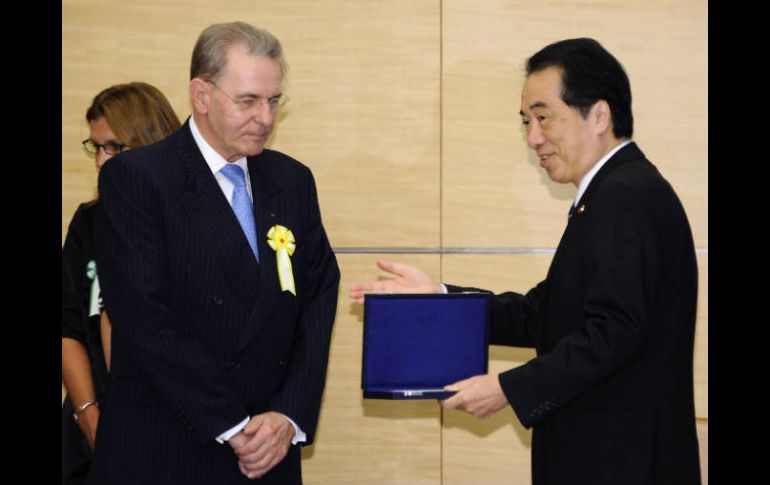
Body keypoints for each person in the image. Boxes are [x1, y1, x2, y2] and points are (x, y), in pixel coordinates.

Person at [350, 38, 701, 485]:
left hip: (618, 460)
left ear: (598, 114)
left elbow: (615, 331)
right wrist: (438, 298)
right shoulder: (612, 192)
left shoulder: (624, 196)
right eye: (526, 122)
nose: (533, 137)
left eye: (544, 117)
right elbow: (544, 314)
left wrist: (506, 389)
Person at [89, 21, 340, 485]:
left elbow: (319, 295)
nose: (265, 117)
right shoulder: (138, 178)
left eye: (273, 101)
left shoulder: (292, 180)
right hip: (168, 445)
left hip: (268, 449)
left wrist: (287, 416)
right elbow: (143, 314)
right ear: (201, 96)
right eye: (248, 101)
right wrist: (234, 424)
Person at [62, 81, 182, 484]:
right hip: (93, 428)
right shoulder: (89, 222)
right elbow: (68, 328)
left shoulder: (191, 227)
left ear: (153, 144)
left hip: (173, 429)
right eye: (95, 147)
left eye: (114, 147)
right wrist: (88, 415)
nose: (101, 161)